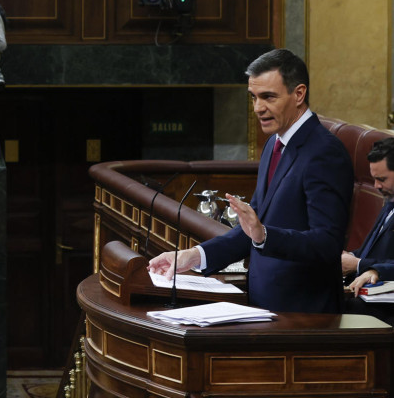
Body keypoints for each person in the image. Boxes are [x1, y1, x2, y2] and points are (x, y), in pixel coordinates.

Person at [148, 49, 353, 313]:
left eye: (268, 97)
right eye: (254, 97)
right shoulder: (273, 145)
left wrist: (265, 235)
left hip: (304, 315)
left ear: (299, 94)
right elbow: (251, 231)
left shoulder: (325, 152)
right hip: (266, 307)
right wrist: (194, 256)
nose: (258, 108)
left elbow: (327, 244)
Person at [342, 138, 394, 324]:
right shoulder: (390, 202)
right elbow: (370, 251)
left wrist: (364, 267)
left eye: (381, 179)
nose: (376, 186)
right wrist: (348, 258)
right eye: (373, 179)